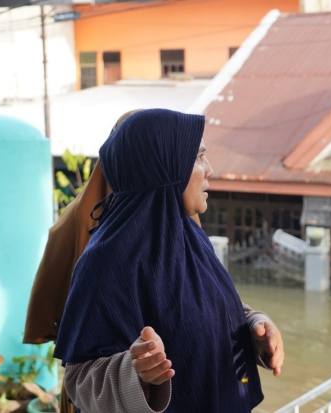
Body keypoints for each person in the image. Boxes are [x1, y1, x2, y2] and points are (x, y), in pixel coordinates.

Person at [24, 110, 283, 413]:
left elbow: (204, 308)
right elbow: (79, 378)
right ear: (164, 167)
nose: (209, 170)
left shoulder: (189, 235)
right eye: (198, 158)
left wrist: (254, 327)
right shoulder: (107, 261)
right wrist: (135, 373)